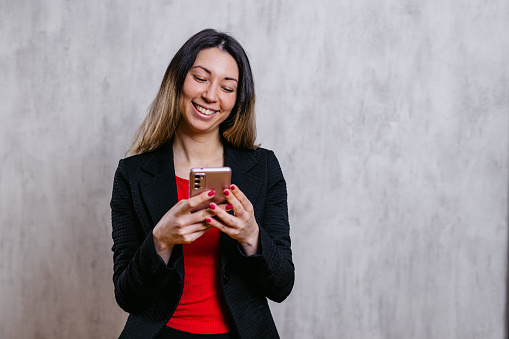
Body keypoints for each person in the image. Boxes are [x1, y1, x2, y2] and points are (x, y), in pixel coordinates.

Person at [110, 29, 294, 339]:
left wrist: (251, 236)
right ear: (178, 80)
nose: (211, 95)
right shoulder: (133, 174)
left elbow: (281, 286)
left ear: (237, 100)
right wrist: (161, 241)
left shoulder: (263, 168)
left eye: (227, 87)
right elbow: (128, 296)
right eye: (200, 77)